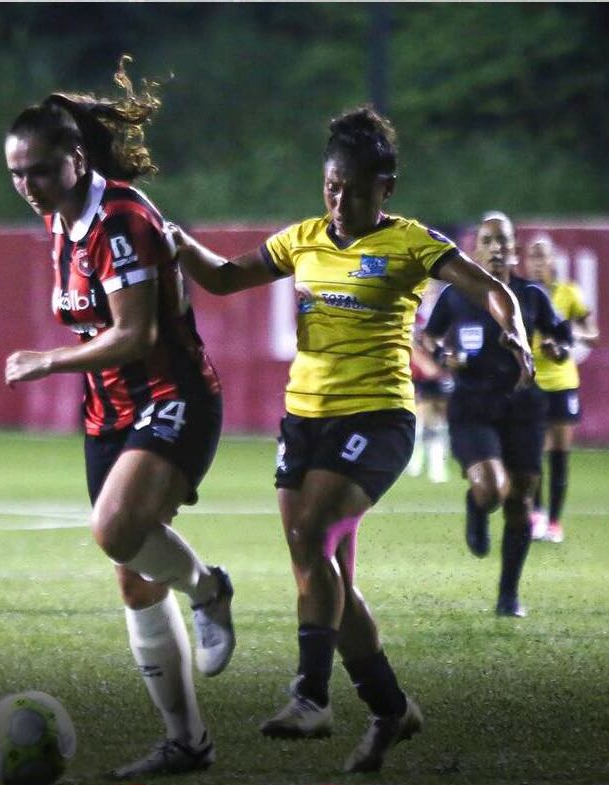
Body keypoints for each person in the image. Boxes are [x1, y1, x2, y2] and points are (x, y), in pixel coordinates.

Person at [169, 107, 533, 773]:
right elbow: (222, 277)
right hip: (303, 419)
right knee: (318, 565)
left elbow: (488, 289)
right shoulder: (303, 239)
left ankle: (310, 697)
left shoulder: (411, 243)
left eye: (355, 191)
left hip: (377, 418)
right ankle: (390, 707)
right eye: (331, 187)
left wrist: (514, 330)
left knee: (312, 536)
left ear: (384, 188)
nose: (338, 202)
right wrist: (176, 242)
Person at [1, 58, 234, 779]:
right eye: (16, 174)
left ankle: (209, 588)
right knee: (133, 577)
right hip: (109, 413)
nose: (28, 186)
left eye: (40, 171)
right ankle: (187, 743)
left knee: (113, 529)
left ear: (76, 160)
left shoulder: (121, 218)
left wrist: (47, 360)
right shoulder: (60, 220)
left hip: (173, 397)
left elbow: (137, 336)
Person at [421, 213, 572, 618]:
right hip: (472, 405)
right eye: (488, 241)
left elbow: (562, 338)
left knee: (520, 500)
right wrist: (443, 356)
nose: (496, 248)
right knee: (492, 489)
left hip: (522, 406)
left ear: (514, 247)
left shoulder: (532, 295)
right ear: (475, 250)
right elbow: (428, 337)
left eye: (503, 240)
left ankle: (508, 595)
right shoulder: (457, 295)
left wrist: (556, 349)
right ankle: (477, 504)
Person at [525, 236, 599, 544]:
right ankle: (536, 515)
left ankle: (555, 522)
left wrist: (566, 336)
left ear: (553, 261)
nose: (538, 262)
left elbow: (593, 334)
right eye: (533, 257)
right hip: (530, 381)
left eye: (543, 256)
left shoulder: (568, 292)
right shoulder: (522, 294)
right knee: (531, 452)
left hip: (562, 381)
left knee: (559, 453)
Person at [406, 289, 454, 483]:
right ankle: (414, 461)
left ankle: (436, 465)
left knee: (439, 419)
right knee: (419, 416)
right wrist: (427, 366)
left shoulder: (445, 313)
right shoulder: (414, 317)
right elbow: (412, 344)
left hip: (441, 371)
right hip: (419, 373)